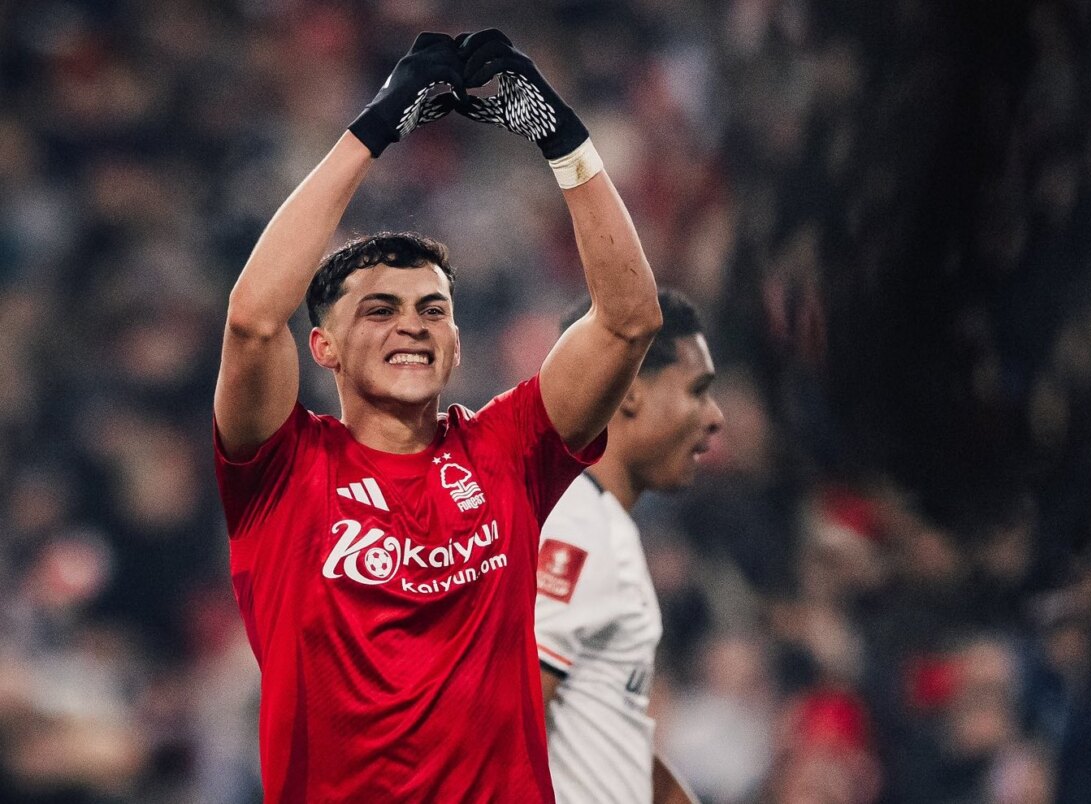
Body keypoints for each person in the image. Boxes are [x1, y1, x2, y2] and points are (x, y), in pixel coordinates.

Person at [212, 29, 661, 803]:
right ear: (323, 347)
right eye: (379, 310)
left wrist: (564, 143)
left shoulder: (509, 450)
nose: (411, 325)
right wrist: (375, 127)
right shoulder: (281, 472)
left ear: (456, 344)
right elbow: (253, 320)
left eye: (431, 310)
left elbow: (628, 321)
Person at [534, 289, 724, 804]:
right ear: (630, 390)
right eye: (698, 390)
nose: (714, 417)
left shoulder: (598, 519)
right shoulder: (573, 526)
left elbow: (602, 730)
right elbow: (507, 727)